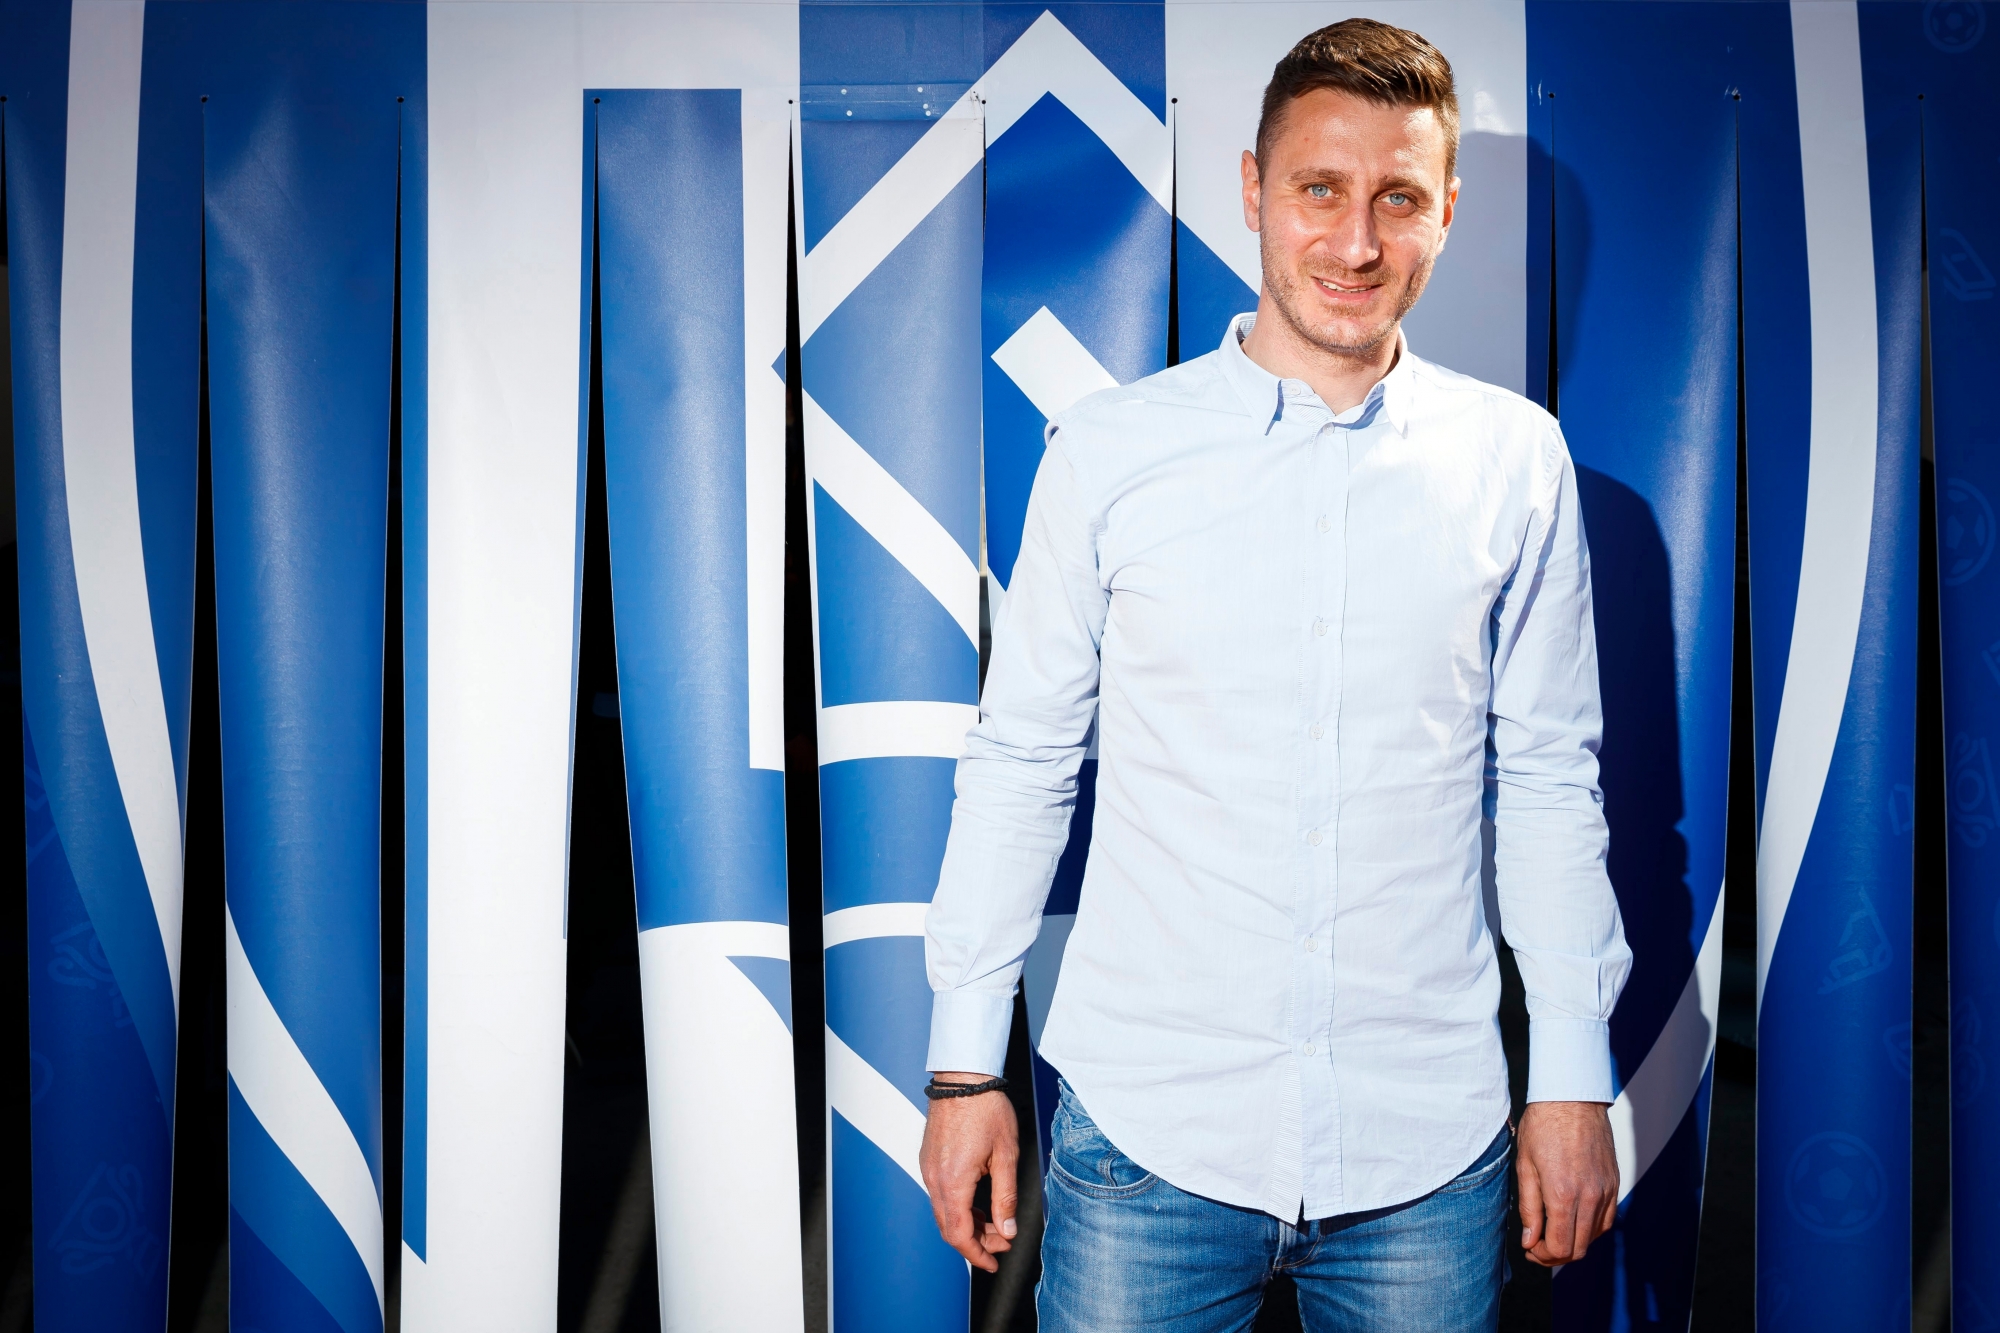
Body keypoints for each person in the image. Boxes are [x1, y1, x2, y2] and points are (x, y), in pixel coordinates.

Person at [917, 17, 1631, 1331]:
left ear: (1447, 212)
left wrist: (1571, 1074)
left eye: (1398, 198)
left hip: (1430, 1155)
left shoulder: (1515, 463)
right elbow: (1022, 760)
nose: (1357, 243)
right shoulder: (1110, 454)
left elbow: (1544, 779)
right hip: (1149, 1142)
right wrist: (965, 1067)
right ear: (1252, 188)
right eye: (1320, 188)